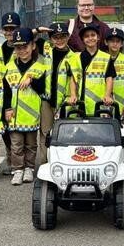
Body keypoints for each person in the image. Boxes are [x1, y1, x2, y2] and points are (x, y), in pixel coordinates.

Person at [0, 27, 48, 185]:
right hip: (14, 115)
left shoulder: (40, 67)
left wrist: (32, 79)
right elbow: (5, 91)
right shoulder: (9, 68)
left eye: (25, 46)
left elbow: (43, 89)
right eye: (18, 47)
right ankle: (17, 169)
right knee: (16, 145)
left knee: (31, 145)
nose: (22, 50)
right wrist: (6, 109)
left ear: (32, 46)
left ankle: (29, 169)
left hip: (32, 115)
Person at [35, 22, 75, 165]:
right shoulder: (45, 49)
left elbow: (74, 79)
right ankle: (45, 162)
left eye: (62, 36)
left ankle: (63, 162)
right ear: (50, 39)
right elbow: (27, 37)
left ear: (68, 37)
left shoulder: (73, 56)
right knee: (45, 133)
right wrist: (39, 29)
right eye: (55, 37)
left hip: (63, 102)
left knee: (64, 133)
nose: (59, 40)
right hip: (46, 100)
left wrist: (72, 96)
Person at [0, 12, 21, 174]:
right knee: (7, 131)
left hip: (23, 96)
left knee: (21, 133)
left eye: (13, 28)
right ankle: (12, 160)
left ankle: (21, 163)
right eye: (7, 29)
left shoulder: (27, 47)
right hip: (4, 95)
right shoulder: (0, 50)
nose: (10, 32)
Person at [66, 23, 113, 117]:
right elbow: (73, 79)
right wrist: (73, 95)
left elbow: (109, 78)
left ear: (98, 37)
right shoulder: (76, 57)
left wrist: (107, 95)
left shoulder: (106, 57)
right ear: (83, 40)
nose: (90, 38)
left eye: (93, 35)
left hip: (100, 103)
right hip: (80, 102)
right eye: (86, 36)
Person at [103, 27, 124, 120]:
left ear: (121, 44)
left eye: (118, 41)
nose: (115, 44)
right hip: (102, 104)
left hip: (120, 105)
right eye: (112, 41)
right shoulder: (100, 59)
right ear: (106, 42)